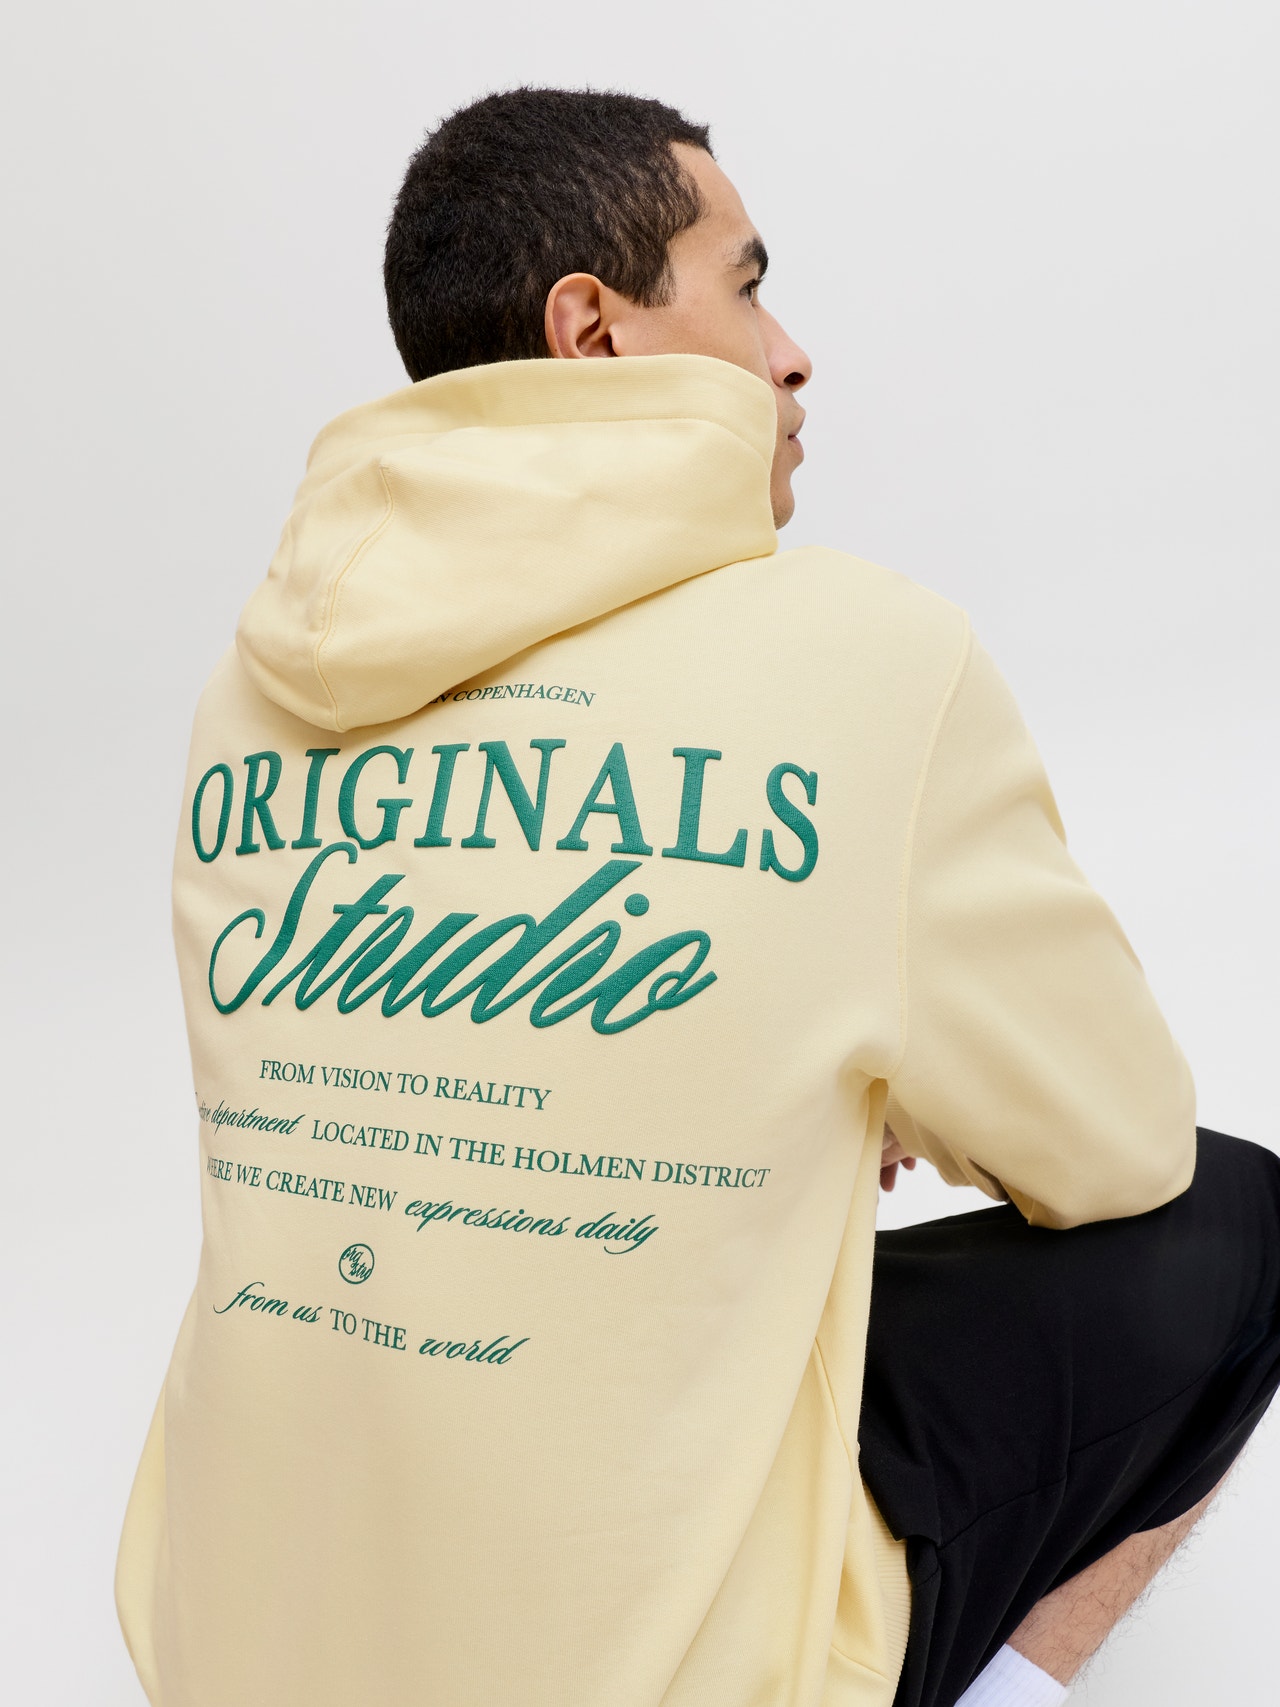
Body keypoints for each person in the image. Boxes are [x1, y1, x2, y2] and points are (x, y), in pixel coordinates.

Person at [114, 87, 1280, 1707]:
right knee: (1237, 1222)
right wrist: (895, 1096)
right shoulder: (868, 661)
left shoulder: (246, 697)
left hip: (229, 1648)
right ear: (593, 331)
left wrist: (787, 1067)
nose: (791, 354)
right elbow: (1121, 1148)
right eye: (746, 286)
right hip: (647, 1681)